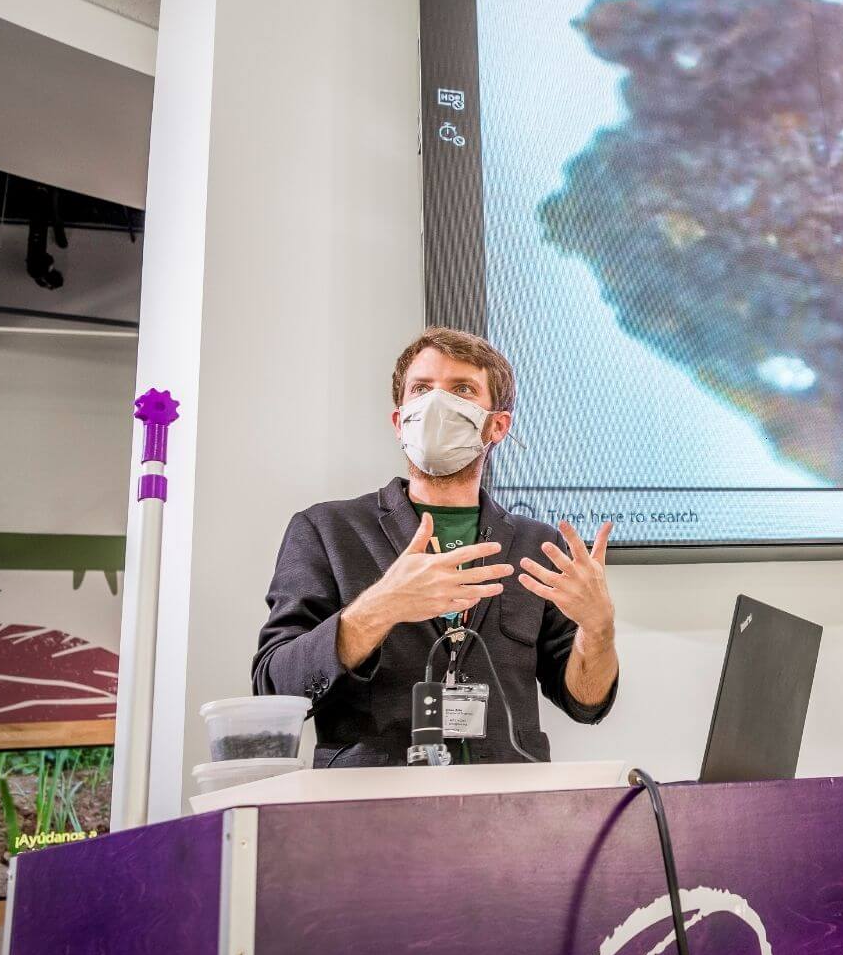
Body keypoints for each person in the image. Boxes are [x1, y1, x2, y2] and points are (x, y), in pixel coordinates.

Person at [254, 327, 618, 766]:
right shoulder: (326, 530)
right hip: (371, 799)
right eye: (422, 389)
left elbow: (586, 702)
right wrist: (380, 607)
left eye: (462, 389)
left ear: (497, 425)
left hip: (506, 797)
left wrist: (599, 630)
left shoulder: (539, 546)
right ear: (399, 421)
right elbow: (275, 688)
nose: (437, 404)